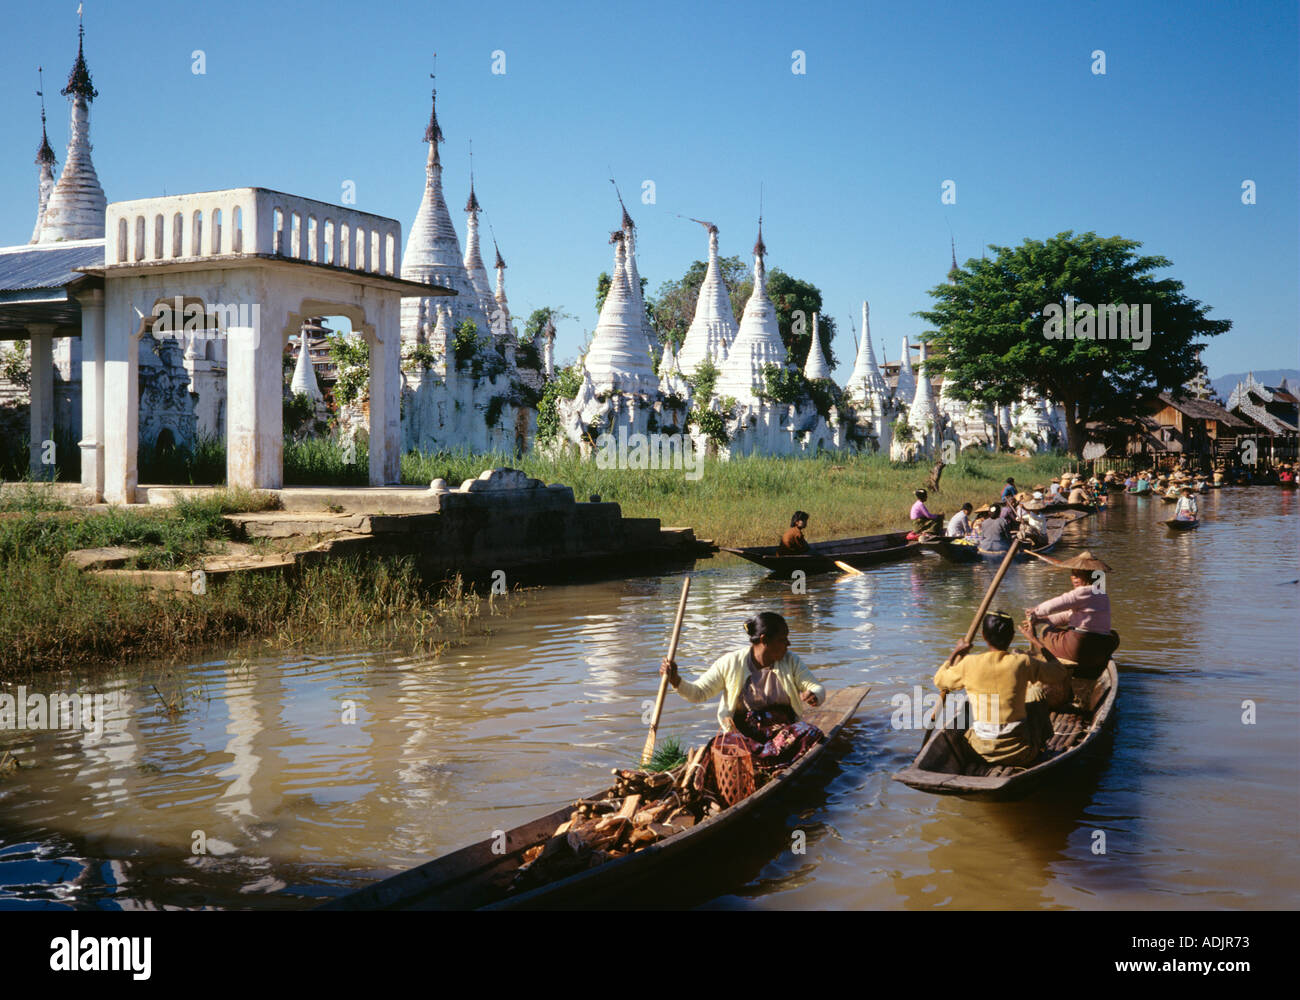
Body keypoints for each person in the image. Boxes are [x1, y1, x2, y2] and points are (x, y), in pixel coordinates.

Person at [932, 612, 1070, 767]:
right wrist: (1034, 640)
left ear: (984, 636)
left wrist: (956, 652)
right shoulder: (1022, 662)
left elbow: (939, 680)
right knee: (1035, 693)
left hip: (980, 752)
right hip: (1021, 753)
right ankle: (1041, 745)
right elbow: (1059, 672)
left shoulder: (969, 663)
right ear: (1012, 636)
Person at [660, 611, 824, 735]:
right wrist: (675, 680)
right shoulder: (730, 662)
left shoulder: (790, 661)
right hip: (744, 734)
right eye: (782, 639)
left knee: (811, 734)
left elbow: (816, 687)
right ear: (764, 640)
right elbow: (699, 693)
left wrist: (814, 695)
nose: (788, 644)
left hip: (783, 732)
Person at [1024, 551, 1120, 683]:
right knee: (1113, 635)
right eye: (1073, 574)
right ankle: (1091, 664)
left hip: (1079, 647)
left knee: (1046, 632)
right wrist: (1042, 619)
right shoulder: (1101, 593)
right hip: (1100, 648)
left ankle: (1055, 665)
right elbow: (1068, 615)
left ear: (1089, 576)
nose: (1074, 578)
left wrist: (1035, 611)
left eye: (1078, 575)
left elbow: (1058, 603)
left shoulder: (1083, 592)